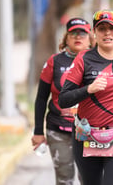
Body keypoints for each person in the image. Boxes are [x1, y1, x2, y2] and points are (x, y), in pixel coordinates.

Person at [58, 9, 113, 185]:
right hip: (87, 136)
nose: (107, 33)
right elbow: (64, 99)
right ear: (94, 32)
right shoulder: (83, 59)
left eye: (112, 28)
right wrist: (88, 89)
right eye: (102, 29)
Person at [31, 17, 94, 185]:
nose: (78, 37)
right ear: (66, 38)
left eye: (82, 33)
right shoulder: (55, 62)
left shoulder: (97, 61)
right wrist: (38, 131)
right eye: (73, 33)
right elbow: (41, 98)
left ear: (90, 38)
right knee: (64, 179)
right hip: (58, 129)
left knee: (89, 179)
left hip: (90, 131)